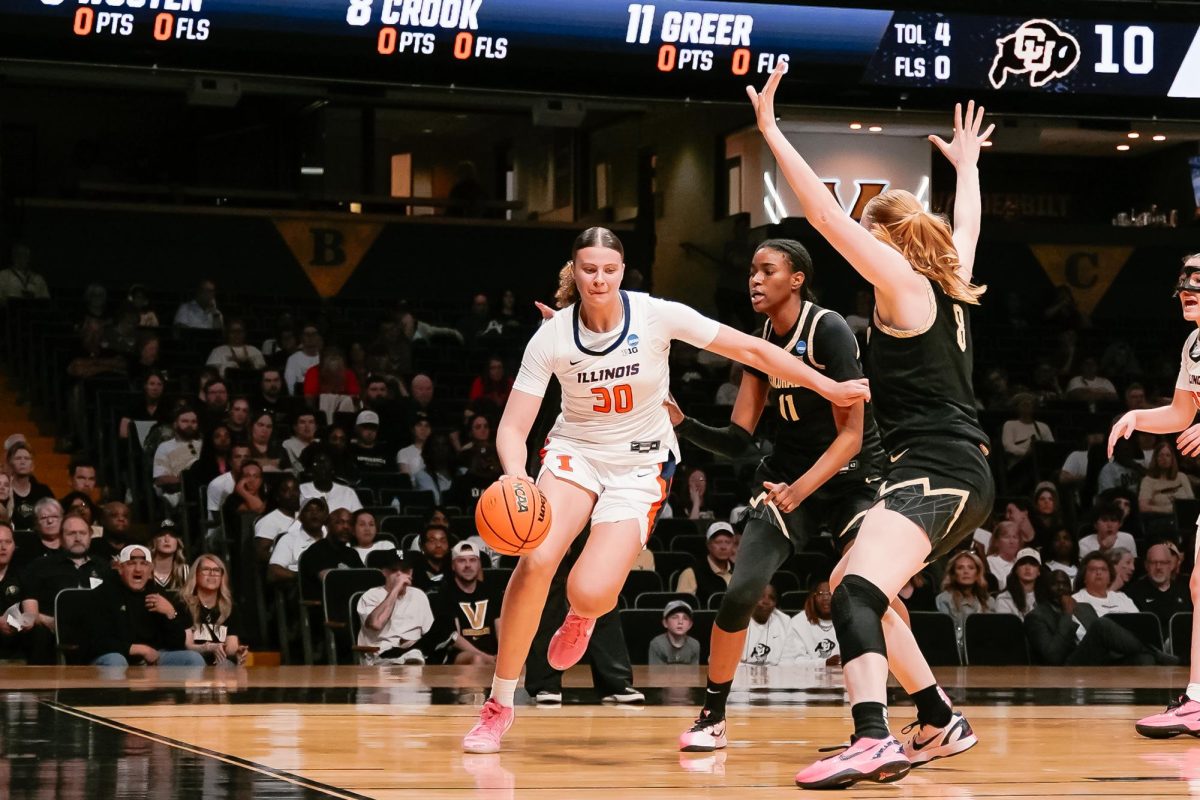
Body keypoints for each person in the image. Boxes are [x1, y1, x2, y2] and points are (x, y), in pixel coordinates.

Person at [462, 224, 870, 754]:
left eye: (609, 269)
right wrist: (516, 474)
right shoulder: (553, 335)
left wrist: (827, 385)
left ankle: (582, 615)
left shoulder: (656, 314)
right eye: (589, 269)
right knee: (536, 559)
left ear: (622, 271)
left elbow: (754, 349)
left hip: (640, 463)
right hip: (575, 453)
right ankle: (499, 704)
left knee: (589, 590)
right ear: (575, 271)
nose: (599, 278)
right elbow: (514, 426)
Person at [749, 72, 996, 787]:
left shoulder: (905, 285)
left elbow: (826, 218)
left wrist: (772, 134)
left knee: (854, 591)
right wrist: (968, 169)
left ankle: (871, 737)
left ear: (886, 241)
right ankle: (937, 716)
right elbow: (968, 224)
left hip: (938, 468)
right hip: (955, 470)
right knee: (853, 586)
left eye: (873, 237)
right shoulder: (950, 280)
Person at [85, 544, 205, 666]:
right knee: (116, 660)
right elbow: (96, 642)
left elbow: (177, 643)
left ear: (151, 570)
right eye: (131, 563)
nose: (138, 569)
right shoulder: (103, 593)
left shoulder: (158, 596)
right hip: (115, 655)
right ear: (120, 568)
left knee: (193, 659)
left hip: (154, 658)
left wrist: (170, 613)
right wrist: (140, 649)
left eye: (144, 564)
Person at [1026, 569, 1173, 667]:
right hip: (1069, 667)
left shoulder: (1084, 608)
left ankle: (1147, 700)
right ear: (1046, 588)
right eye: (1055, 584)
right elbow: (1053, 657)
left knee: (1144, 659)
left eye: (1064, 584)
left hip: (1099, 662)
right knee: (1101, 625)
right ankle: (1156, 653)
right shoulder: (1036, 617)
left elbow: (1101, 643)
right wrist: (1067, 615)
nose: (1061, 588)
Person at [18, 512, 112, 664]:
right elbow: (30, 612)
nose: (78, 538)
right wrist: (50, 622)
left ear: (90, 536)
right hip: (51, 635)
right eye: (71, 533)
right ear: (60, 538)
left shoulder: (104, 567)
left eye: (82, 533)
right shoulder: (40, 566)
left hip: (95, 637)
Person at [357, 549, 434, 665]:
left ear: (411, 572)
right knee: (410, 662)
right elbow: (376, 624)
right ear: (384, 572)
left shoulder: (419, 595)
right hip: (380, 656)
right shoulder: (371, 596)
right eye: (394, 570)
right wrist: (395, 590)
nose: (400, 575)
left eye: (404, 570)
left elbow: (429, 633)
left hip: (414, 652)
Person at [431, 541, 503, 665]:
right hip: (460, 654)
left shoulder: (491, 591)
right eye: (462, 561)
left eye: (472, 560)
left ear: (479, 564)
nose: (468, 565)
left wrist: (503, 654)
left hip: (493, 653)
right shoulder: (445, 594)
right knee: (477, 659)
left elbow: (500, 627)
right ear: (453, 565)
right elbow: (454, 638)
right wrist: (486, 658)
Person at [181, 554, 247, 666]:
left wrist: (237, 651)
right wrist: (209, 647)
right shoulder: (184, 605)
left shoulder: (229, 608)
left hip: (220, 664)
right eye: (206, 569)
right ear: (196, 574)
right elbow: (187, 646)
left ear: (222, 577)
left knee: (227, 664)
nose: (212, 574)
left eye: (216, 570)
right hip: (193, 664)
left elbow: (231, 646)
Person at [935, 551, 992, 659]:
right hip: (954, 654)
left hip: (985, 653)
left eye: (971, 568)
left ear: (977, 573)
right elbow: (945, 636)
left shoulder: (989, 601)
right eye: (960, 568)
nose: (966, 571)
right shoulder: (944, 599)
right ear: (953, 574)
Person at [298, 506, 363, 600]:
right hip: (323, 605)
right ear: (328, 526)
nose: (346, 527)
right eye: (339, 522)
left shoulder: (352, 554)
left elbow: (365, 579)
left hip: (350, 603)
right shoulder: (315, 551)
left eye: (350, 523)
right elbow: (329, 581)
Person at [1126, 542, 1192, 634]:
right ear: (1146, 565)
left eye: (1163, 562)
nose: (1158, 567)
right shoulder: (1133, 593)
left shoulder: (1186, 592)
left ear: (1170, 565)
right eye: (1153, 562)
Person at [267, 495, 328, 583]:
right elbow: (273, 573)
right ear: (301, 517)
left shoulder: (333, 539)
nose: (314, 513)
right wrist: (304, 577)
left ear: (325, 516)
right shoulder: (289, 539)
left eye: (319, 510)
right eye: (308, 510)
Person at [152, 406, 202, 509]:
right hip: (183, 490)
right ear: (175, 424)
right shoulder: (165, 447)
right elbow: (161, 479)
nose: (190, 425)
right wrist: (186, 480)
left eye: (193, 422)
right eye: (185, 421)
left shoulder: (204, 445)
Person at [674, 521, 735, 604]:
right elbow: (681, 606)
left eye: (728, 542)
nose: (723, 547)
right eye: (718, 542)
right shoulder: (691, 573)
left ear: (733, 545)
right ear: (708, 545)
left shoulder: (739, 572)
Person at [783, 582, 840, 667]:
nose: (825, 598)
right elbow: (794, 661)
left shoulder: (849, 620)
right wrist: (824, 663)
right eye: (820, 593)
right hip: (807, 674)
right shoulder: (798, 622)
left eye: (830, 593)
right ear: (813, 598)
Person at [298, 445, 363, 514]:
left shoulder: (347, 493)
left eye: (325, 462)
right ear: (310, 468)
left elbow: (359, 516)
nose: (322, 466)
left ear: (333, 466)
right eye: (316, 463)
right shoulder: (301, 490)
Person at [1072, 551, 1138, 617]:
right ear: (1084, 577)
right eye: (1093, 569)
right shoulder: (1076, 600)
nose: (1098, 572)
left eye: (1103, 569)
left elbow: (1138, 620)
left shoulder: (1122, 598)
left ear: (1110, 577)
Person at [741, 584, 792, 666]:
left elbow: (789, 660)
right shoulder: (736, 621)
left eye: (771, 598)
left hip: (776, 673)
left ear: (775, 603)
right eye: (760, 596)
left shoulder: (784, 622)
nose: (766, 601)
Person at [254, 476, 301, 564]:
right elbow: (261, 554)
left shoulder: (304, 516)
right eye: (286, 490)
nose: (293, 494)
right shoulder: (269, 521)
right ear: (277, 496)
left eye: (296, 489)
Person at [8, 444, 54, 532]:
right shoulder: (4, 491)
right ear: (10, 463)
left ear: (32, 465)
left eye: (27, 458)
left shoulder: (43, 491)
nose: (22, 462)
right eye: (18, 458)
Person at [648, 600, 701, 665]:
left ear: (690, 625)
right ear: (665, 623)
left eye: (685, 618)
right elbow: (656, 670)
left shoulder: (694, 645)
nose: (680, 622)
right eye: (675, 617)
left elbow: (694, 670)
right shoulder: (657, 644)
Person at [993, 548, 1042, 618]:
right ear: (1016, 570)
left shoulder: (1046, 598)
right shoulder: (1004, 599)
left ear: (1039, 571)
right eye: (1023, 563)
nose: (1027, 568)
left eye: (1032, 564)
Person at [148, 523, 188, 594]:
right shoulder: (144, 570)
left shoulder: (185, 572)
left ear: (178, 542)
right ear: (154, 541)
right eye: (161, 535)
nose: (167, 540)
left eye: (172, 535)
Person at [411, 524, 451, 593]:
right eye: (432, 540)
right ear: (422, 546)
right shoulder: (414, 569)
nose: (438, 545)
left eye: (443, 540)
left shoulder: (454, 566)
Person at [285, 324, 323, 395]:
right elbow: (291, 386)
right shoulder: (292, 359)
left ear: (318, 337)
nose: (310, 337)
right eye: (307, 334)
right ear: (301, 338)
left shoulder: (324, 358)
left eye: (313, 334)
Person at [985, 521, 1021, 589]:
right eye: (1007, 537)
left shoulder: (1022, 562)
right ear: (996, 542)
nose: (1011, 541)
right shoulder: (989, 562)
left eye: (1015, 537)